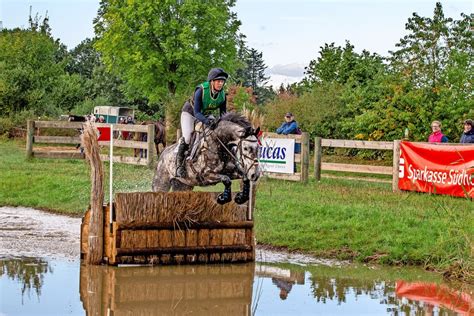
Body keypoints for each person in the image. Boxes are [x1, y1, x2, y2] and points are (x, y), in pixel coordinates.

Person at [176, 67, 228, 177]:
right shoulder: (201, 90)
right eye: (218, 81)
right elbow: (197, 113)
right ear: (211, 81)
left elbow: (223, 114)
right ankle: (179, 166)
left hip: (205, 114)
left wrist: (222, 124)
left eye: (222, 81)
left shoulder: (223, 95)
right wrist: (207, 121)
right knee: (187, 137)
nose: (220, 84)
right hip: (190, 113)